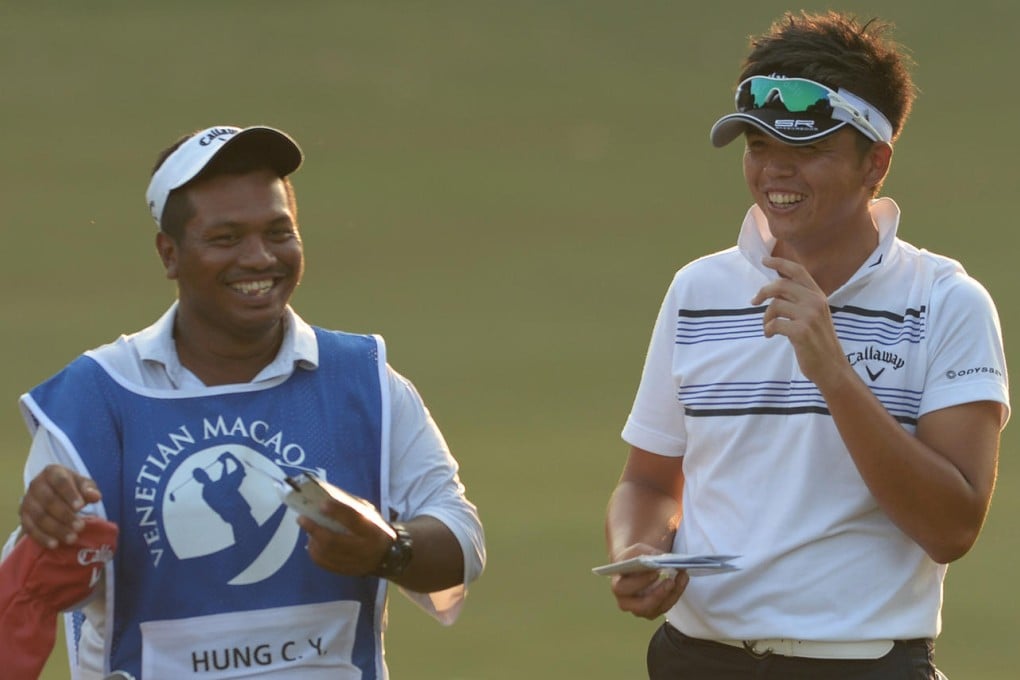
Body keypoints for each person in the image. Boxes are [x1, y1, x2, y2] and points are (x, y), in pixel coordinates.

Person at [604, 11, 1009, 679]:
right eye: (759, 145)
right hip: (695, 660)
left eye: (810, 149)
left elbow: (952, 528)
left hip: (862, 662)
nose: (775, 171)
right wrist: (640, 549)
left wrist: (834, 374)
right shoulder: (698, 291)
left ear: (874, 162)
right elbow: (647, 480)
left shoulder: (946, 303)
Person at [4, 124, 486, 679]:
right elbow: (47, 587)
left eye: (279, 232)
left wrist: (388, 549)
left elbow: (462, 541)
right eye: (226, 238)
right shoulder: (97, 396)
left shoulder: (363, 380)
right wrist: (47, 530)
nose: (260, 258)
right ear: (170, 254)